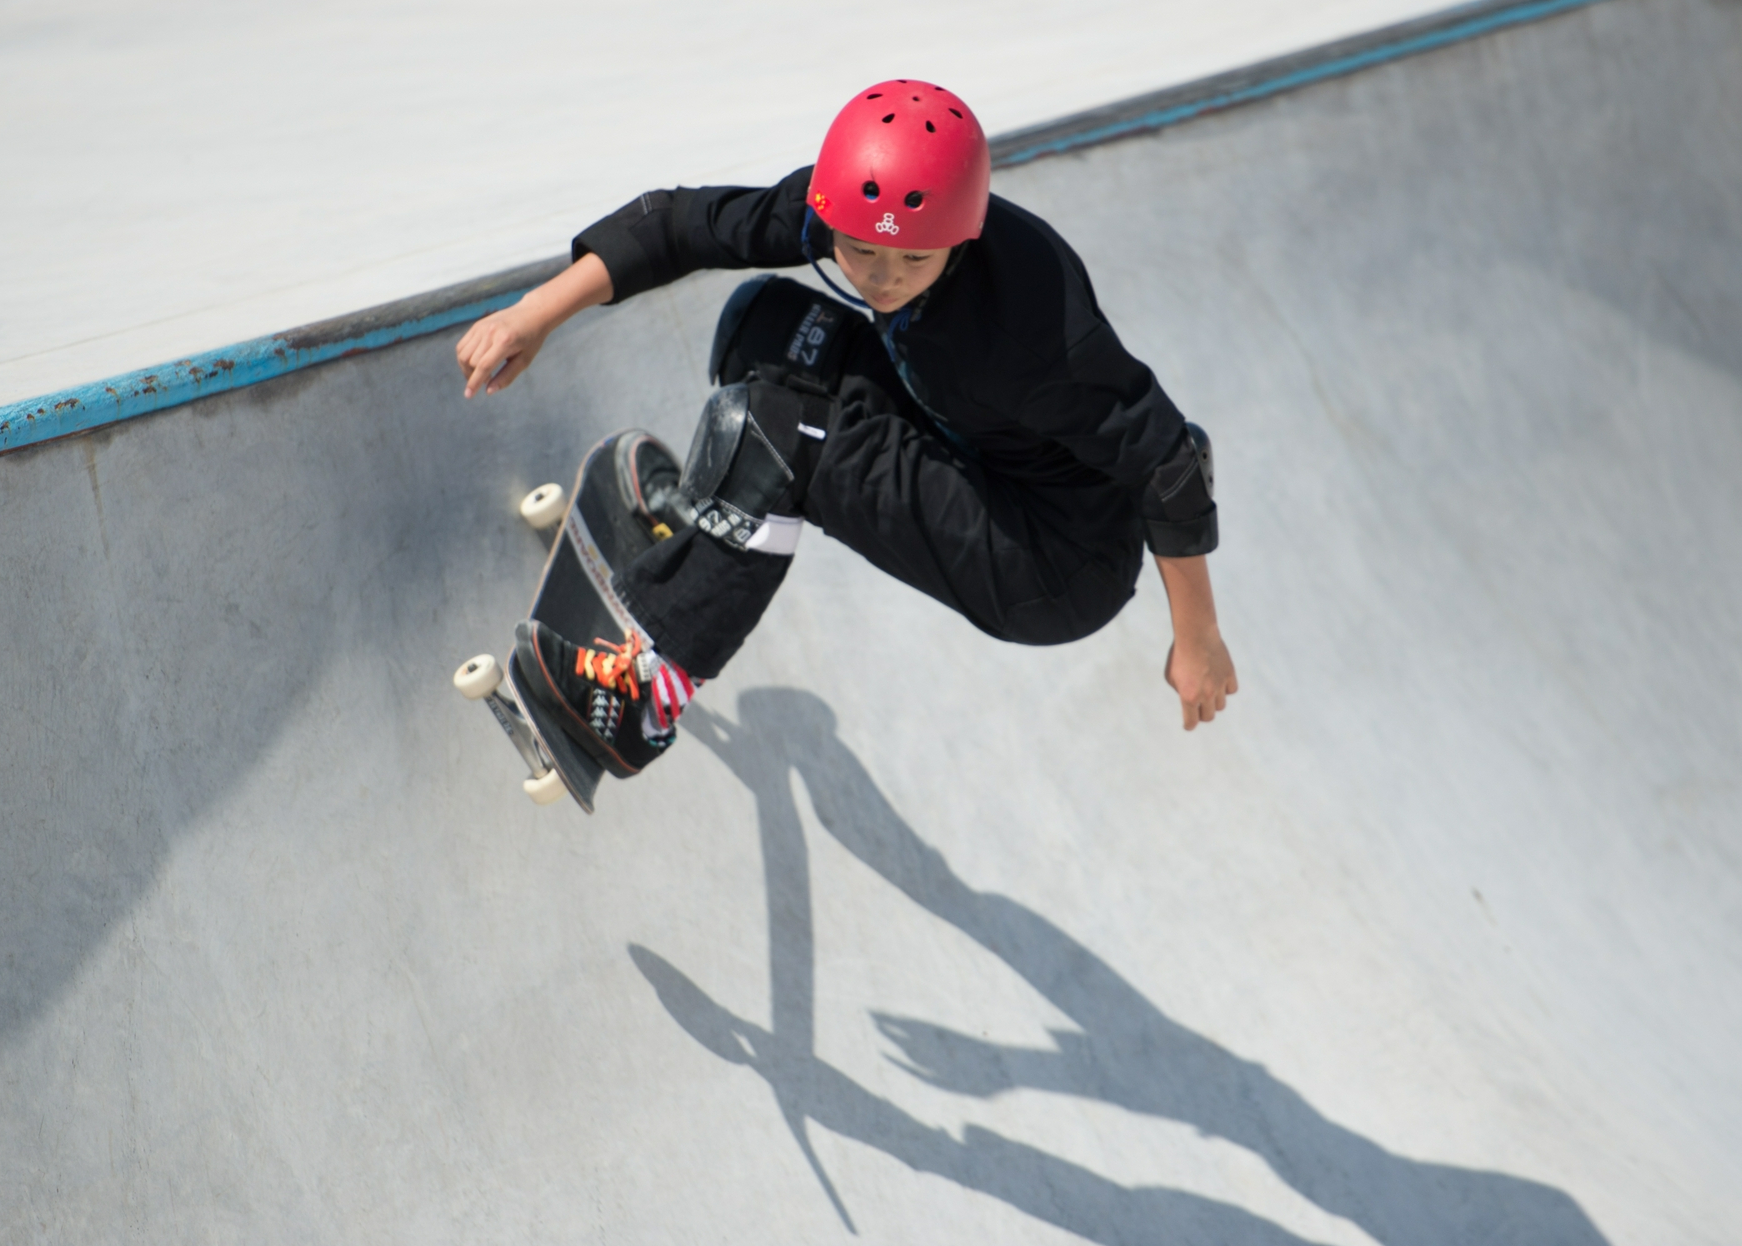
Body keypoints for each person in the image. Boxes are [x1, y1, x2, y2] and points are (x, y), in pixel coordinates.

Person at [455, 80, 1238, 778]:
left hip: (1047, 559)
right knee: (764, 324)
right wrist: (534, 313)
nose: (881, 277)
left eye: (913, 261)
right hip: (971, 439)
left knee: (780, 428)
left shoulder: (1035, 331)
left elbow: (1168, 458)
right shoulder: (848, 210)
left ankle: (644, 699)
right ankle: (713, 533)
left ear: (964, 238)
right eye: (858, 251)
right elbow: (680, 224)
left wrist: (1196, 638)